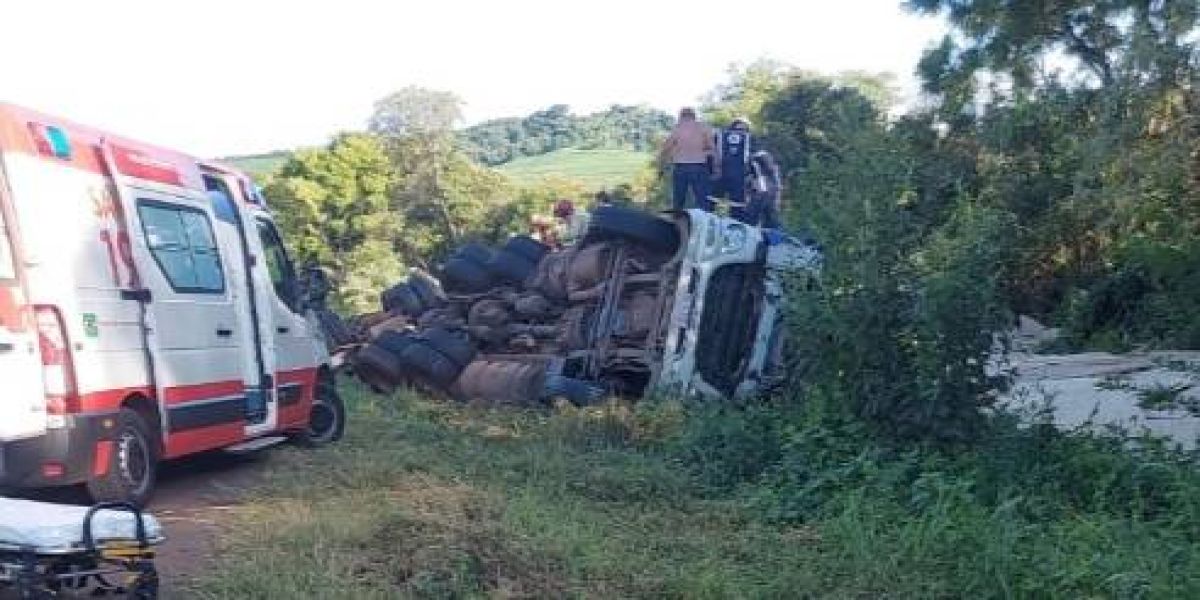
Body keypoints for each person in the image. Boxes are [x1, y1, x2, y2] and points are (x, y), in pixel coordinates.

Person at [658, 107, 715, 211]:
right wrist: (716, 168)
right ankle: (705, 223)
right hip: (699, 166)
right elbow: (713, 149)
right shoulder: (704, 128)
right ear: (694, 116)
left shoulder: (677, 129)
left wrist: (661, 168)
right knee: (703, 201)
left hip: (681, 167)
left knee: (678, 200)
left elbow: (665, 150)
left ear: (681, 116)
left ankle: (677, 223)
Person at [712, 117, 753, 213]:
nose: (740, 132)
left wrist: (750, 175)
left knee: (737, 205)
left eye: (743, 130)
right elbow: (712, 152)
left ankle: (735, 224)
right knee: (714, 201)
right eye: (737, 129)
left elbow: (752, 158)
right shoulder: (720, 137)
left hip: (739, 176)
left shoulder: (750, 140)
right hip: (721, 173)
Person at [737, 149, 783, 228]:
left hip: (764, 197)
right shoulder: (755, 170)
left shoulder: (771, 172)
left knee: (769, 221)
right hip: (760, 197)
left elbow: (775, 187)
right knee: (753, 220)